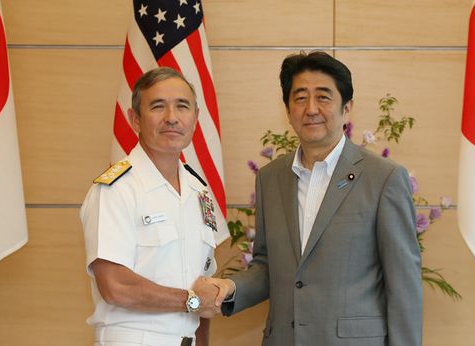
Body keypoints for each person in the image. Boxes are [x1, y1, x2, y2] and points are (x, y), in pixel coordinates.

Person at [201, 51, 422, 346]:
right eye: (300, 97)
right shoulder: (270, 178)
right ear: (288, 109)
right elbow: (268, 266)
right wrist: (229, 287)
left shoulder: (384, 178)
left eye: (324, 97)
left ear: (347, 109)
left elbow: (403, 285)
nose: (311, 108)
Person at [80, 67, 220, 346]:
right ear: (135, 119)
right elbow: (115, 286)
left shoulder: (199, 192)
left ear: (195, 118)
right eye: (158, 106)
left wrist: (198, 305)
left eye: (182, 106)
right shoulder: (116, 189)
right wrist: (191, 301)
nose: (172, 118)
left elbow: (202, 288)